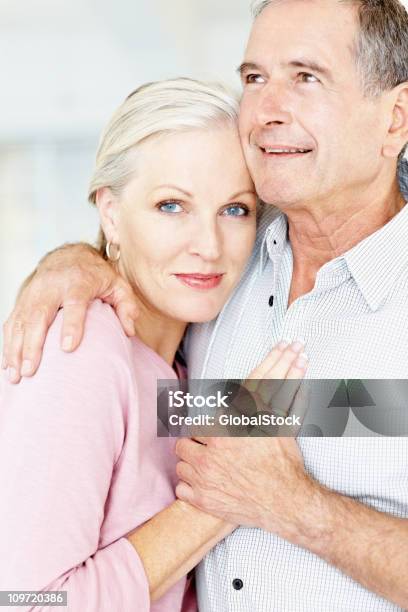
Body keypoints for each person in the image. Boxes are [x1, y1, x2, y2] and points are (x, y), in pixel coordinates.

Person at [2, 0, 408, 610]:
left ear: (396, 118)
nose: (268, 110)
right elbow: (30, 595)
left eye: (306, 77)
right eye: (254, 78)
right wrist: (72, 260)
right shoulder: (221, 276)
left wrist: (297, 506)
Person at [0, 77, 309, 612]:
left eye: (234, 209)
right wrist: (224, 493)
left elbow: (373, 406)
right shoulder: (83, 354)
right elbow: (24, 601)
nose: (208, 246)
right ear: (111, 213)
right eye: (171, 206)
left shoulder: (193, 353)